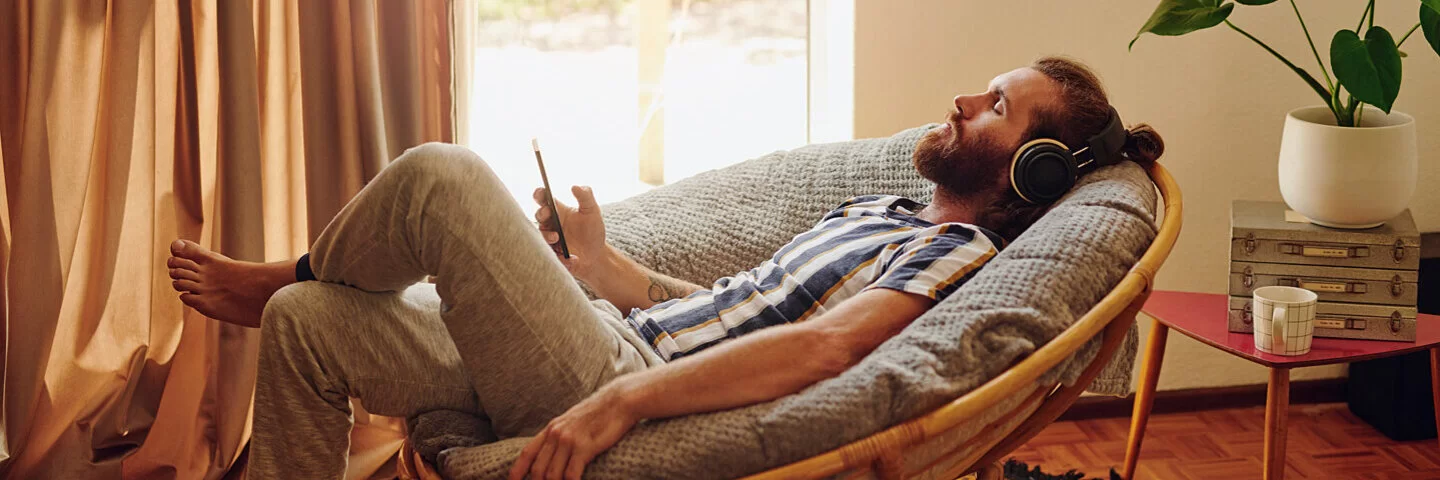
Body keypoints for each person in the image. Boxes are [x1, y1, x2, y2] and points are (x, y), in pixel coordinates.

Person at [164, 56, 1163, 480]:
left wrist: (623, 406)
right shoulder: (886, 211)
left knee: (442, 179)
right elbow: (742, 313)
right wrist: (603, 267)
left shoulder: (953, 254)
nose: (959, 102)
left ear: (1028, 167)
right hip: (610, 340)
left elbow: (819, 353)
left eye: (992, 106)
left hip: (615, 378)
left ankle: (279, 268)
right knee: (305, 322)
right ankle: (289, 287)